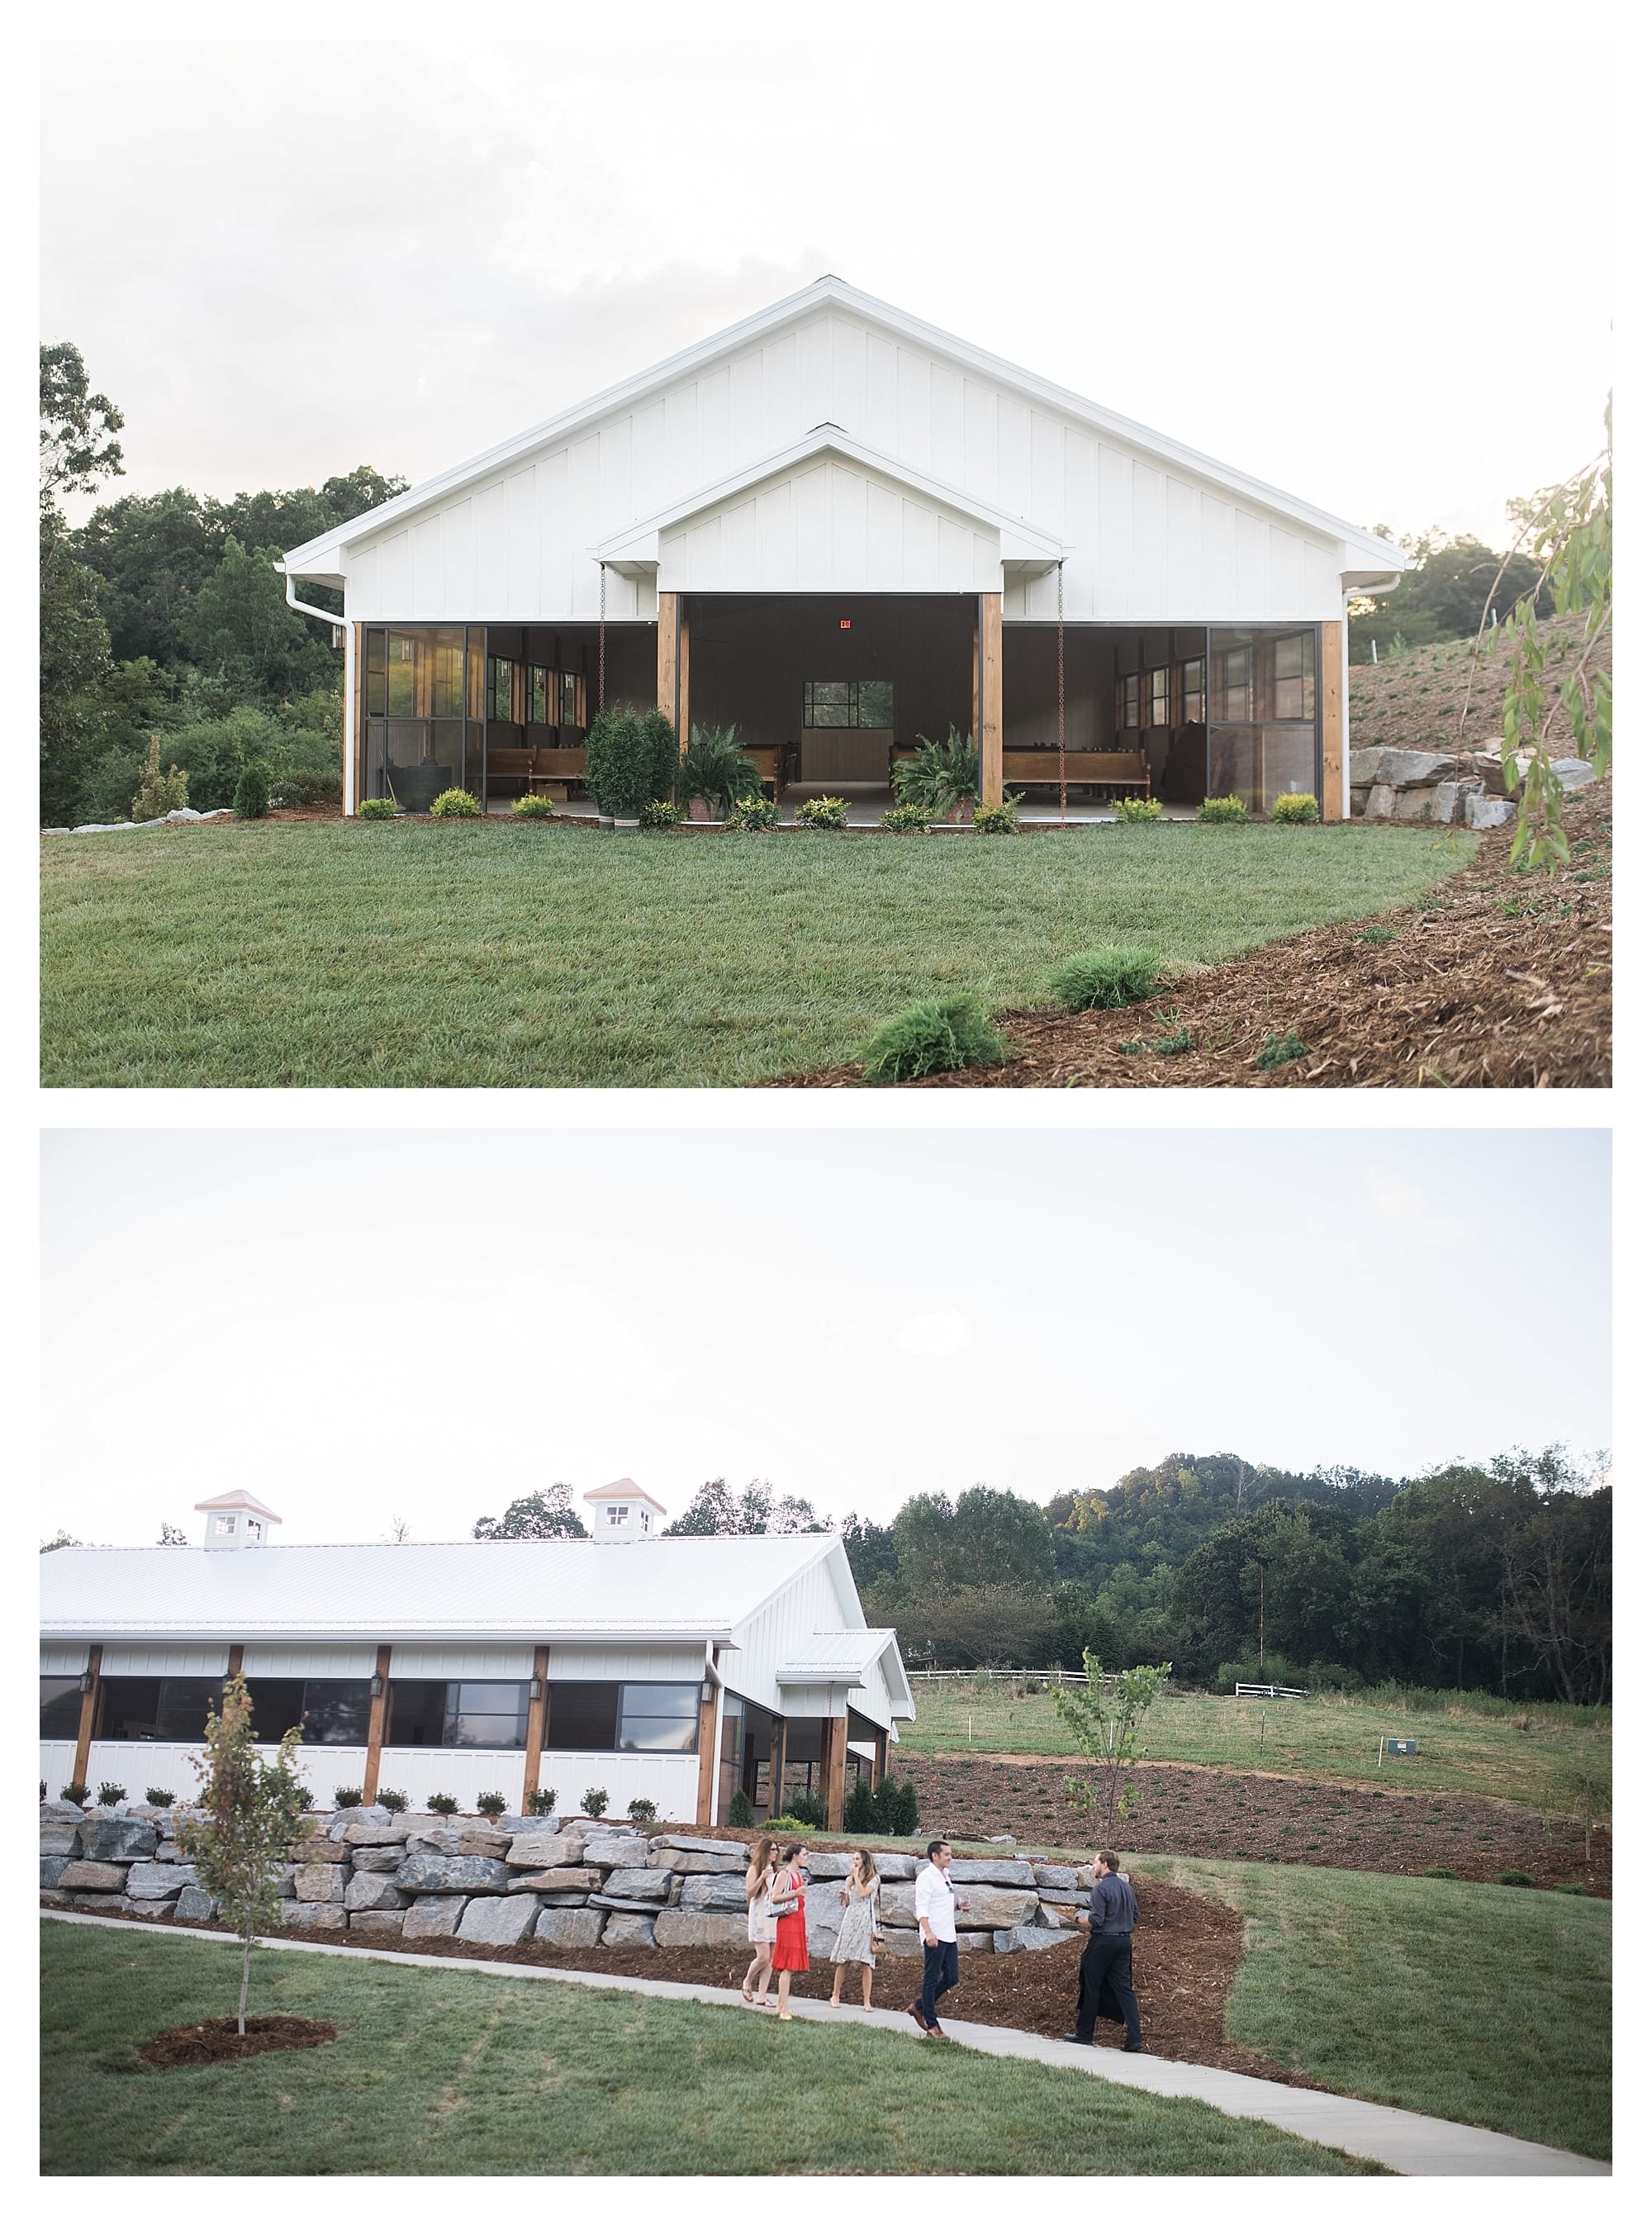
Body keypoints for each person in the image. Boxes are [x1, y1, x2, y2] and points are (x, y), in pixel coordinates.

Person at [1065, 1847, 1145, 2052]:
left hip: (1103, 1943)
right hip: (1124, 1942)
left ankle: (1084, 2034)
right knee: (1125, 1989)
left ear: (1105, 1864)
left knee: (1091, 1983)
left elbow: (1096, 1919)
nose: (1093, 1867)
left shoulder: (1100, 1889)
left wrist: (1075, 1918)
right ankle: (1135, 2038)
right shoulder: (1127, 1888)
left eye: (1095, 1863)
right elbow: (1135, 1916)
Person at [909, 1839, 969, 2041]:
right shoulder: (927, 1877)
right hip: (934, 1935)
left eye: (950, 1854)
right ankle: (932, 2024)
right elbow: (922, 1908)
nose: (950, 1857)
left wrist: (959, 1906)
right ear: (935, 1856)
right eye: (947, 1854)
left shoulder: (945, 1876)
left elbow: (941, 1904)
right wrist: (928, 1932)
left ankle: (919, 2006)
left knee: (952, 1977)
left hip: (948, 1934)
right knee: (931, 1977)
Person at [829, 1847, 881, 2011]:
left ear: (865, 1861)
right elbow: (851, 1902)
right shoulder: (849, 1880)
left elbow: (863, 1893)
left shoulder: (874, 1879)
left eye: (857, 1859)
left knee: (866, 1963)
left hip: (866, 1922)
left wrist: (856, 1877)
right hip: (851, 1921)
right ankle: (835, 1994)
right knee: (844, 1960)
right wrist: (845, 1898)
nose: (854, 1862)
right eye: (853, 1859)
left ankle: (866, 2000)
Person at [769, 1840, 810, 2020]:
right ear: (795, 1856)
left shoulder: (798, 1876)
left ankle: (782, 2005)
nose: (806, 1857)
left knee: (791, 1967)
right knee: (787, 1966)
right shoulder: (784, 1875)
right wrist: (795, 1893)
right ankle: (783, 2008)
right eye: (804, 1854)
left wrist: (804, 1930)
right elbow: (775, 1898)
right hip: (787, 1922)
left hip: (798, 1921)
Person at [741, 1834, 781, 2009]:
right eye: (773, 1850)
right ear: (765, 1851)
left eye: (777, 1850)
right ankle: (748, 1980)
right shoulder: (755, 1869)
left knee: (771, 1958)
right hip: (759, 1916)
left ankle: (762, 1996)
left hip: (773, 1916)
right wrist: (761, 1877)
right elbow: (749, 1894)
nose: (776, 1853)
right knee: (763, 1957)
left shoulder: (776, 1871)